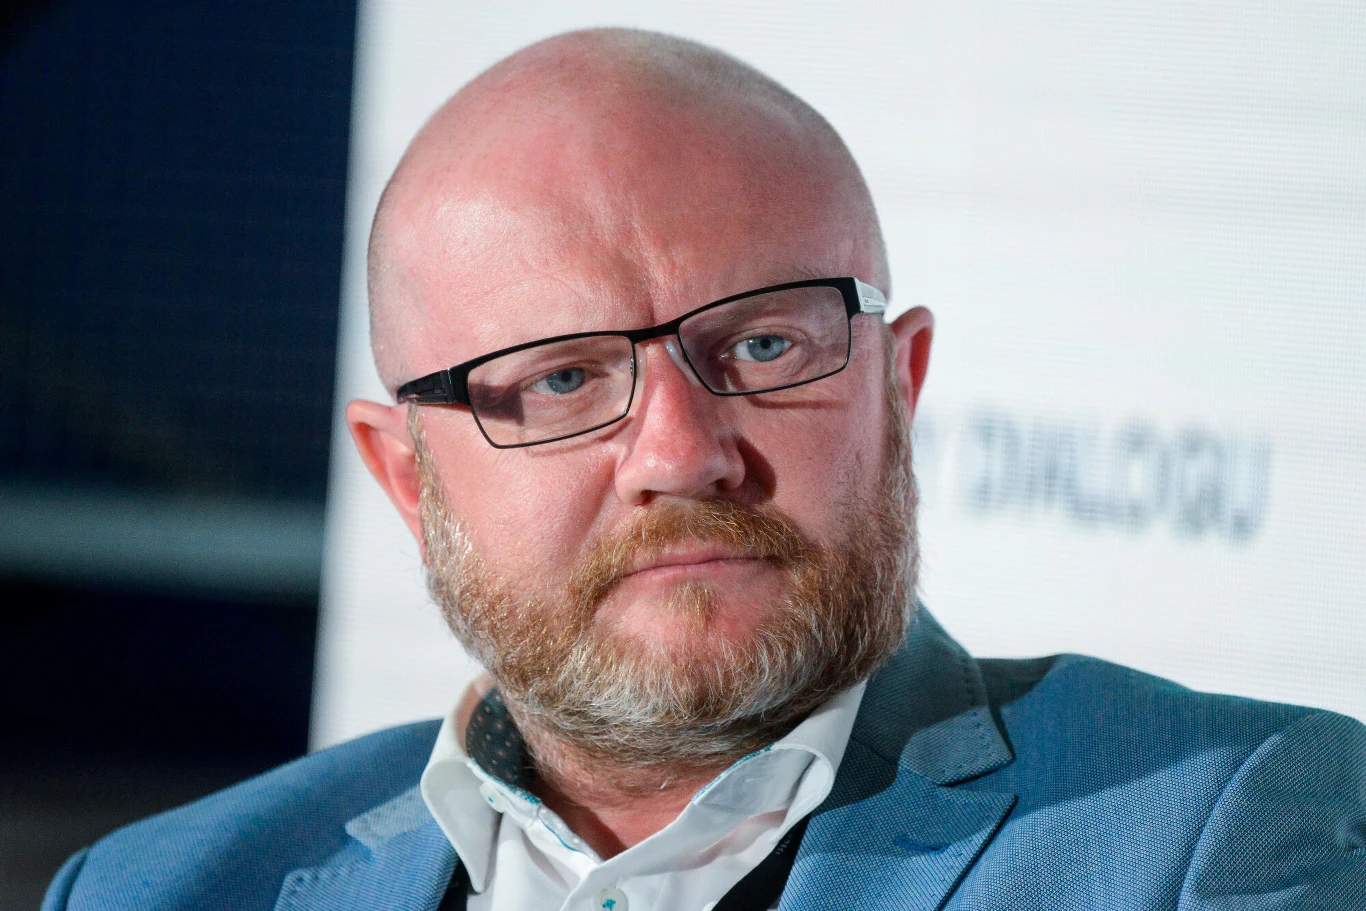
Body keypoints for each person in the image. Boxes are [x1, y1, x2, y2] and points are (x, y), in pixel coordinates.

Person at [44, 28, 1366, 911]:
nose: (682, 453)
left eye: (765, 344)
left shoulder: (1227, 830)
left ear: (897, 389)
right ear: (408, 476)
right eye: (561, 380)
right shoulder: (156, 888)